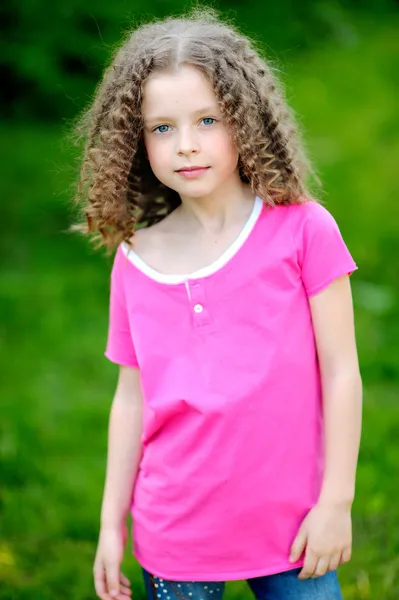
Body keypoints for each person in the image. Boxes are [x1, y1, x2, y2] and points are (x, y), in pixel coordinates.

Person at [70, 6, 363, 600]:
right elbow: (131, 398)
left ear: (246, 121)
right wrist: (110, 524)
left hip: (295, 527)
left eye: (207, 119)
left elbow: (342, 372)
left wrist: (337, 500)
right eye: (162, 128)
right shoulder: (136, 259)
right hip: (175, 532)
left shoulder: (304, 230)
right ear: (136, 140)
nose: (186, 146)